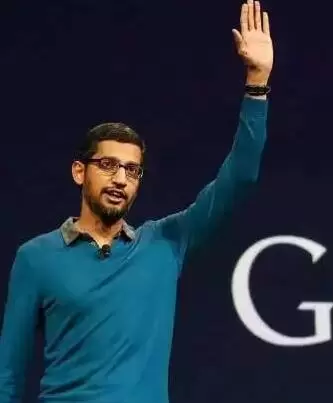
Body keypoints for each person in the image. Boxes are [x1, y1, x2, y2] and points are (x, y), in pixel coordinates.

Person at [0, 1, 273, 401]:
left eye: (132, 170)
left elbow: (241, 176)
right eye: (108, 165)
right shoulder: (36, 257)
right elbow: (7, 374)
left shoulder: (165, 243)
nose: (120, 179)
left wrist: (257, 83)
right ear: (79, 171)